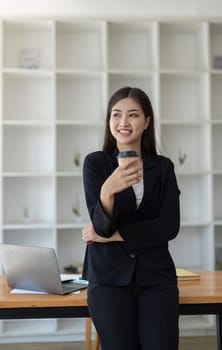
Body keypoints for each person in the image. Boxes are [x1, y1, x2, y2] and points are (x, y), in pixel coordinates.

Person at [81, 86, 180, 350]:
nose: (123, 122)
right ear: (109, 121)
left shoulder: (163, 168)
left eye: (133, 115)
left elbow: (169, 226)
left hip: (156, 278)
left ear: (146, 121)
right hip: (108, 279)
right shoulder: (96, 164)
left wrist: (111, 236)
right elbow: (101, 224)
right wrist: (107, 189)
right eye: (116, 114)